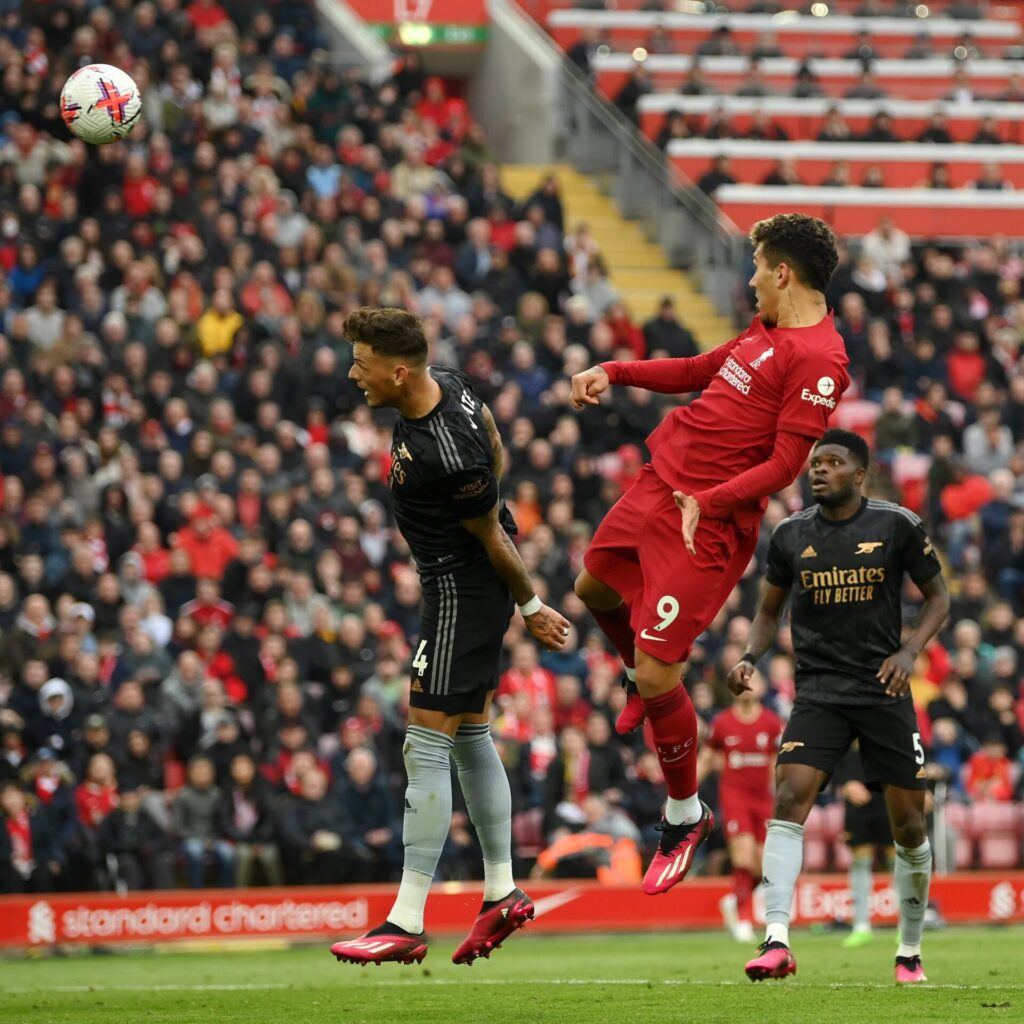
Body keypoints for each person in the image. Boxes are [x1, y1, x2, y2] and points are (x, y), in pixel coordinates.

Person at [568, 214, 849, 896]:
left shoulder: (820, 358)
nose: (750, 279)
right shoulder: (767, 332)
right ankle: (637, 676)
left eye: (757, 267)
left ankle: (684, 816)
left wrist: (713, 501)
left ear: (782, 272)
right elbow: (699, 369)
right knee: (592, 589)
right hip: (661, 485)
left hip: (707, 523)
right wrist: (616, 370)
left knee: (664, 674)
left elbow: (787, 463)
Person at [329, 307, 569, 967]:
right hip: (458, 588)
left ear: (397, 372)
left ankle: (406, 918)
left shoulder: (442, 445)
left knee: (423, 744)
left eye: (363, 364)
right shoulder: (453, 387)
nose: (355, 374)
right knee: (467, 735)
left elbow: (490, 530)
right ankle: (501, 890)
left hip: (463, 590)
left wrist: (532, 603)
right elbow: (497, 449)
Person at [731, 430, 949, 984]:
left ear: (860, 474)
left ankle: (909, 950)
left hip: (885, 688)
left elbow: (940, 598)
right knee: (789, 796)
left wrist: (909, 649)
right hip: (820, 690)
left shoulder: (896, 524)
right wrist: (750, 657)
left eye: (833, 463)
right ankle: (776, 939)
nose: (819, 470)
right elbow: (766, 613)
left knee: (908, 826)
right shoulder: (789, 535)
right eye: (815, 463)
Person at [700, 673, 783, 942]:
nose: (748, 686)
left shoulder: (771, 722)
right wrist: (681, 794)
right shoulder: (722, 722)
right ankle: (745, 920)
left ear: (761, 686)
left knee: (763, 865)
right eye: (743, 682)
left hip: (763, 799)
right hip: (735, 797)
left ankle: (734, 901)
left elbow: (775, 763)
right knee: (743, 856)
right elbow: (707, 758)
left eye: (754, 681)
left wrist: (782, 796)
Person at [834, 745, 894, 949]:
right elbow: (829, 759)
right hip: (857, 805)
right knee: (860, 860)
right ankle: (861, 926)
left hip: (889, 798)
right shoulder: (842, 731)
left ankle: (907, 925)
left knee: (899, 860)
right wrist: (844, 783)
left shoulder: (888, 724)